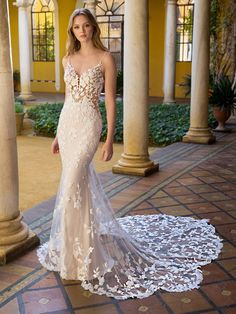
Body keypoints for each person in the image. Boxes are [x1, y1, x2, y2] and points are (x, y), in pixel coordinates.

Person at [37, 8, 222, 300]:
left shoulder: (105, 58)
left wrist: (110, 138)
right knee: (77, 186)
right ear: (72, 31)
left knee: (72, 182)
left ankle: (83, 252)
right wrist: (58, 135)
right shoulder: (67, 59)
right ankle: (76, 247)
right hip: (68, 123)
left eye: (86, 25)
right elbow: (68, 99)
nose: (81, 31)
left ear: (93, 28)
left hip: (88, 124)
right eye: (76, 27)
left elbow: (110, 100)